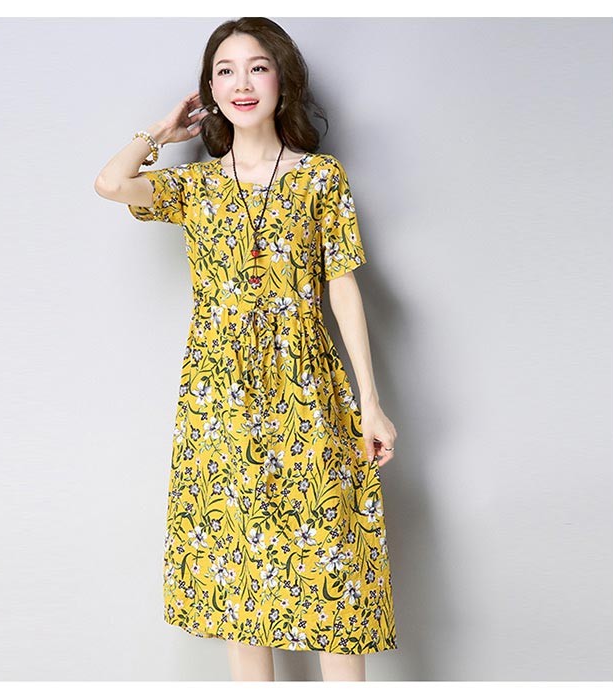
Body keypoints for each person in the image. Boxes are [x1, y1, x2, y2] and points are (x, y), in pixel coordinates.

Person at [95, 17, 398, 683]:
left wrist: (370, 404)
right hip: (219, 402)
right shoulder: (196, 186)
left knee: (331, 573)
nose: (242, 83)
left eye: (257, 67)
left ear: (282, 79)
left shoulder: (320, 178)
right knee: (240, 581)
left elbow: (343, 286)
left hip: (307, 391)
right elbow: (111, 184)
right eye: (225, 70)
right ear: (208, 89)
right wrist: (160, 133)